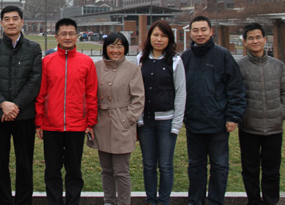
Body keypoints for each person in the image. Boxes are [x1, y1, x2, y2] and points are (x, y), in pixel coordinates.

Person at [0, 5, 42, 205]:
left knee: (24, 163)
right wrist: (2, 103)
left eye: (15, 18)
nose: (11, 22)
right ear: (1, 23)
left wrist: (15, 106)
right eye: (7, 19)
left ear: (22, 21)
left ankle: (24, 201)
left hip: (24, 115)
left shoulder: (33, 48)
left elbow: (35, 80)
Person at [181, 15, 246, 205]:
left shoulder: (223, 55)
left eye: (203, 30)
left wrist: (233, 116)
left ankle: (215, 201)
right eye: (195, 30)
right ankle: (195, 200)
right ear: (190, 33)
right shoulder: (185, 58)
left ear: (211, 31)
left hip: (218, 123)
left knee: (219, 166)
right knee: (195, 166)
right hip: (193, 122)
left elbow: (236, 88)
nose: (199, 34)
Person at [35, 18, 98, 205]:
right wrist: (39, 122)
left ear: (77, 36)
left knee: (74, 171)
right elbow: (41, 94)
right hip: (51, 125)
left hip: (77, 126)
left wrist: (90, 122)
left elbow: (91, 95)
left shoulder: (87, 62)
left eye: (71, 33)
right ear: (56, 37)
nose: (67, 37)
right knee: (52, 171)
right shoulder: (47, 62)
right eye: (63, 34)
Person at [238, 23, 285, 205]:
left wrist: (283, 112)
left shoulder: (277, 65)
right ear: (245, 42)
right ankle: (253, 201)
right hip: (249, 128)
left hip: (274, 127)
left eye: (258, 37)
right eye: (251, 38)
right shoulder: (239, 66)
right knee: (250, 170)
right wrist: (242, 116)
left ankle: (270, 201)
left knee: (272, 171)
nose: (255, 41)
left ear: (265, 39)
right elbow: (235, 94)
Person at [87, 33, 144, 205]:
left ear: (125, 48)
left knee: (121, 171)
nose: (115, 50)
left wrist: (128, 119)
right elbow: (90, 93)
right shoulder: (97, 67)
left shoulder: (132, 69)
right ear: (106, 48)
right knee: (106, 170)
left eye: (120, 46)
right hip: (102, 123)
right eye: (111, 46)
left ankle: (123, 202)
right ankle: (109, 201)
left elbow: (138, 99)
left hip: (121, 122)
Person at [136, 20, 186, 205]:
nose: (159, 39)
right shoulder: (140, 59)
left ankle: (164, 201)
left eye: (163, 36)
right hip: (146, 122)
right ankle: (151, 200)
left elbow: (181, 93)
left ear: (169, 39)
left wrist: (176, 124)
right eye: (155, 35)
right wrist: (138, 119)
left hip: (167, 121)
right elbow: (136, 91)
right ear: (149, 37)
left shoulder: (175, 61)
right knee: (148, 164)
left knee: (165, 165)